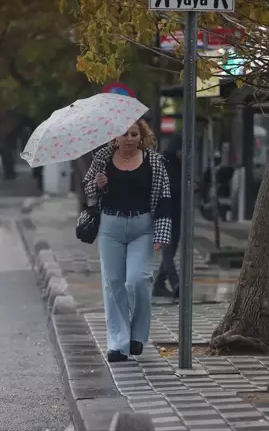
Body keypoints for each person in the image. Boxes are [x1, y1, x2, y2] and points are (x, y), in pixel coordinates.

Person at [82, 119, 172, 363]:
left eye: (135, 134)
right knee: (113, 285)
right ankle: (118, 344)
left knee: (138, 280)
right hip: (111, 228)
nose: (130, 138)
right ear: (115, 138)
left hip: (142, 229)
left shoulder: (153, 161)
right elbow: (88, 191)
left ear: (141, 137)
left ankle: (137, 336)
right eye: (125, 134)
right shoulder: (102, 158)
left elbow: (164, 196)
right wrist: (98, 185)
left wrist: (162, 234)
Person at [153, 137, 182, 298]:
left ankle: (158, 284)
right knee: (168, 249)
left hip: (177, 212)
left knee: (173, 247)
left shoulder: (181, 165)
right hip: (164, 213)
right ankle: (174, 281)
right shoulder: (162, 163)